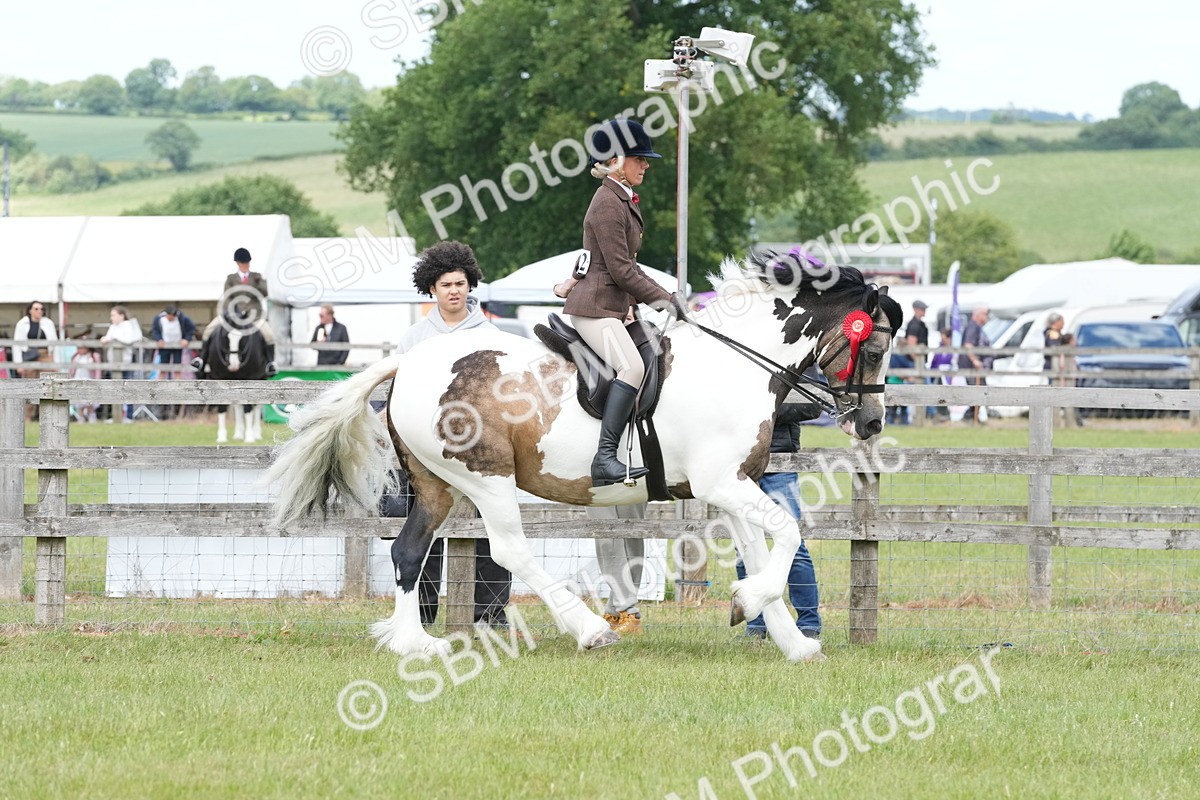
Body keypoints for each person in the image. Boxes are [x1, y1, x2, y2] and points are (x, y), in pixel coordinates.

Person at [562, 118, 686, 635]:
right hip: (594, 309)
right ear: (616, 160)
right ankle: (606, 455)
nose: (644, 167)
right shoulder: (607, 202)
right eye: (638, 159)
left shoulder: (623, 197)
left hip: (616, 307)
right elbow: (618, 267)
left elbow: (621, 270)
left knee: (651, 359)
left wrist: (638, 304)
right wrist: (666, 296)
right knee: (632, 365)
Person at [381, 240, 512, 628]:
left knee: (493, 527)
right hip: (424, 451)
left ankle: (490, 613)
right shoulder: (414, 338)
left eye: (460, 283)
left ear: (470, 284)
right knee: (424, 526)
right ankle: (421, 610)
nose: (454, 290)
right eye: (445, 284)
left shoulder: (491, 335)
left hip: (481, 452)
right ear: (432, 290)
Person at [735, 400, 825, 640]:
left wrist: (757, 406)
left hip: (779, 463)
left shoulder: (801, 363)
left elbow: (813, 406)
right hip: (739, 464)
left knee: (794, 548)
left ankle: (809, 624)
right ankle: (756, 626)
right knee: (746, 548)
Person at [191, 247, 277, 376]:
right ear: (238, 263)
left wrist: (258, 283)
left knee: (269, 334)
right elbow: (227, 296)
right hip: (233, 314)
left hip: (253, 315)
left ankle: (271, 364)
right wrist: (228, 314)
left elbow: (266, 293)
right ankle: (202, 360)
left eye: (247, 263)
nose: (245, 265)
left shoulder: (257, 277)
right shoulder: (231, 278)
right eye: (243, 263)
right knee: (209, 330)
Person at [100, 305, 143, 424]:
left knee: (127, 388)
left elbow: (128, 340)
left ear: (121, 316)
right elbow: (107, 338)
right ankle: (115, 415)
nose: (111, 318)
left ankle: (128, 416)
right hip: (113, 362)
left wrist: (112, 338)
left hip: (125, 362)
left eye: (113, 315)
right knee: (114, 388)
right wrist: (105, 339)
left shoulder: (128, 326)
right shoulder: (113, 327)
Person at [958, 305, 992, 423]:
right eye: (985, 314)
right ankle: (969, 417)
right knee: (978, 392)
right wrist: (975, 360)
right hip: (971, 367)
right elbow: (968, 345)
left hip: (974, 367)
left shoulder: (976, 327)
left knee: (981, 392)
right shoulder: (973, 327)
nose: (987, 317)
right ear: (978, 315)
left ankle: (973, 417)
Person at [13, 300, 58, 379]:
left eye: (42, 309)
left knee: (47, 382)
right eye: (36, 309)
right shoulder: (22, 323)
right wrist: (18, 365)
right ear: (30, 310)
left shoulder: (48, 323)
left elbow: (55, 344)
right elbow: (16, 345)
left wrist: (56, 363)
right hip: (29, 355)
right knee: (29, 383)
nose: (39, 311)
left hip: (46, 355)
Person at [150, 305, 196, 376]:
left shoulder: (182, 318)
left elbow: (191, 328)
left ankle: (178, 385)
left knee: (177, 369)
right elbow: (155, 330)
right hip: (164, 346)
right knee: (163, 369)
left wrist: (187, 339)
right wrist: (158, 339)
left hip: (177, 346)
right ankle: (161, 385)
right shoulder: (159, 319)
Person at [69, 343, 102, 422]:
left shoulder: (93, 356)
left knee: (89, 401)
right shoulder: (76, 357)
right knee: (79, 402)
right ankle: (80, 417)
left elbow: (98, 370)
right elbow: (72, 369)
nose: (80, 350)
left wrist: (97, 380)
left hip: (89, 379)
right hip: (78, 379)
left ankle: (92, 417)